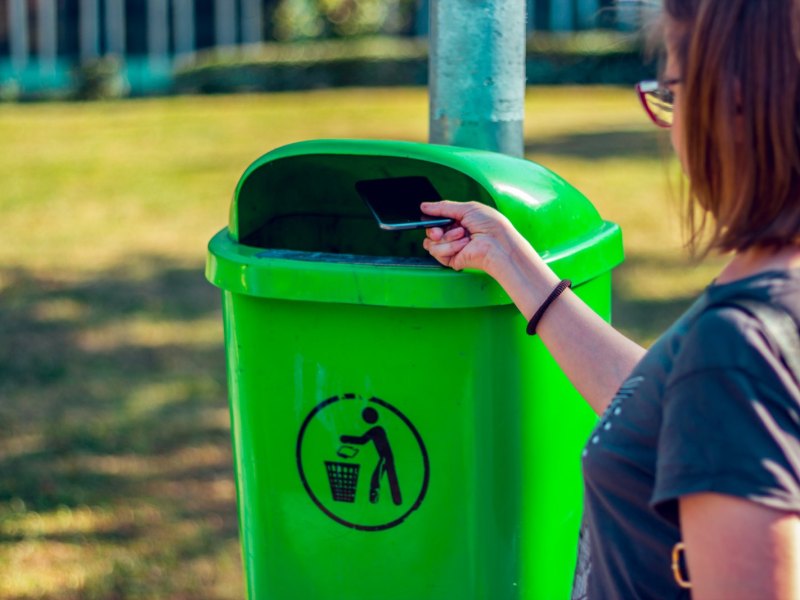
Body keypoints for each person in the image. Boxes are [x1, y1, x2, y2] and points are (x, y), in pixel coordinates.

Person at [421, 0, 800, 598]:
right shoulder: (772, 284)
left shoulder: (738, 345)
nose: (670, 125)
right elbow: (668, 411)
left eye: (672, 94)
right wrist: (511, 262)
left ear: (732, 100)